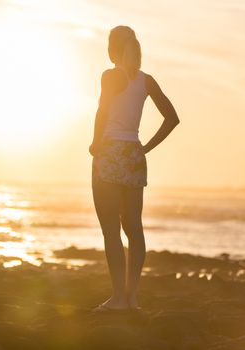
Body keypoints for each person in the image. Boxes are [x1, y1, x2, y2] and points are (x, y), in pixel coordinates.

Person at [89, 25, 180, 312]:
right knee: (134, 228)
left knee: (111, 230)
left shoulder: (110, 75)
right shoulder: (146, 80)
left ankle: (117, 298)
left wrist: (94, 144)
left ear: (112, 48)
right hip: (133, 154)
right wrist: (145, 148)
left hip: (110, 152)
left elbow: (103, 111)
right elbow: (172, 118)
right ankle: (132, 298)